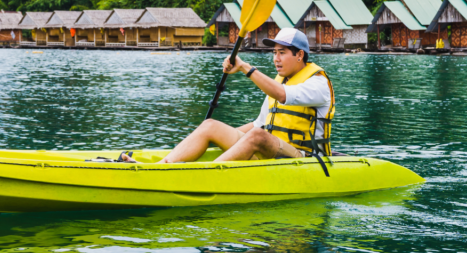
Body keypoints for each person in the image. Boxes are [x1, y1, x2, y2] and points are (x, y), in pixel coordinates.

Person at [125, 28, 334, 163]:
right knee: (211, 126)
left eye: (282, 53)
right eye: (274, 53)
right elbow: (257, 125)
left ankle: (203, 175)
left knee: (258, 136)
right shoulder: (281, 80)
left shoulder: (318, 83)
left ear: (299, 55)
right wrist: (222, 135)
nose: (276, 59)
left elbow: (282, 96)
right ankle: (161, 167)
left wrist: (245, 67)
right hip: (269, 149)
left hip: (304, 158)